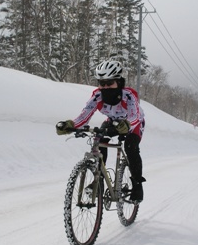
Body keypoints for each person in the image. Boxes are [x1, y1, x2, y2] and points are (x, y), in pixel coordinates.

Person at [56, 60, 145, 202]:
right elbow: (84, 115)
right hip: (112, 121)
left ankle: (137, 185)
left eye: (109, 83)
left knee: (130, 146)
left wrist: (127, 124)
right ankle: (100, 181)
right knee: (99, 140)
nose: (105, 87)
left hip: (133, 123)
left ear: (119, 82)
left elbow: (135, 116)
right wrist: (70, 125)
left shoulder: (127, 95)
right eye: (101, 83)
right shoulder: (97, 96)